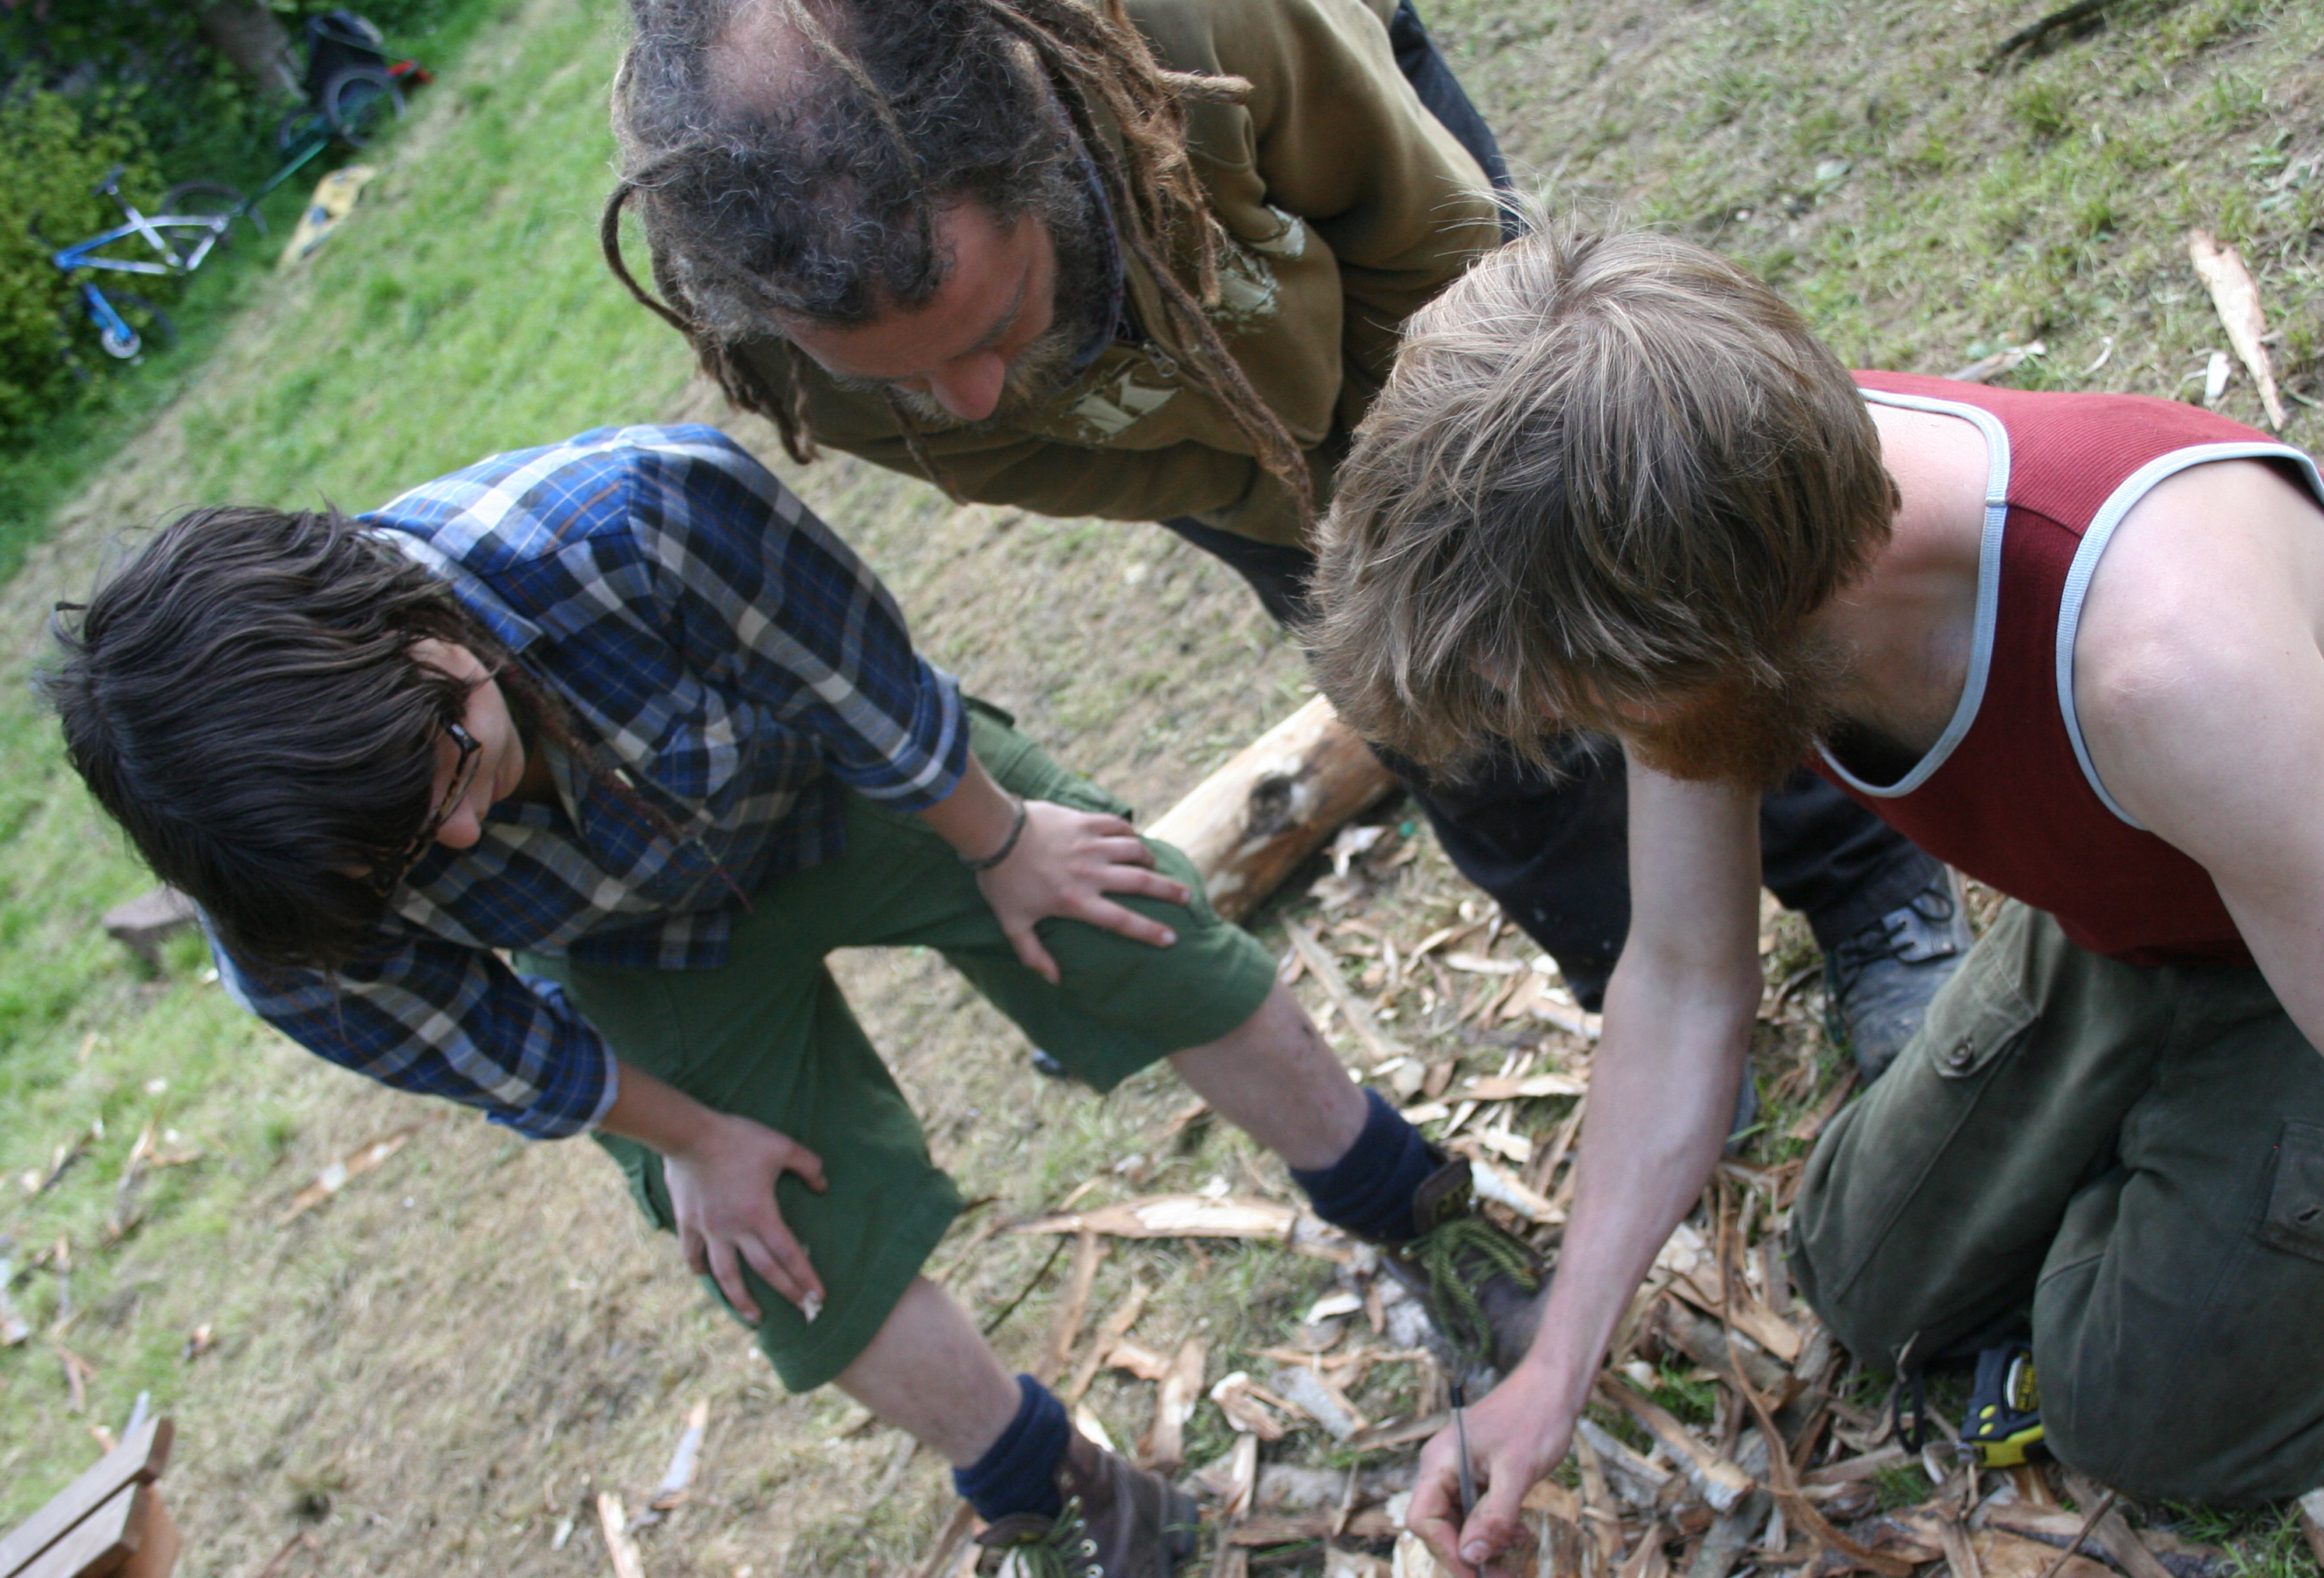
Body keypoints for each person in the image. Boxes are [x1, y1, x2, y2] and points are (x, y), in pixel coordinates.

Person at [1306, 224, 2324, 1578]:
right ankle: (2197, 1142)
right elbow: (1686, 978)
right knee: (1856, 1263)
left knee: (2149, 1417)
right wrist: (1553, 1368)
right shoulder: (1696, 507)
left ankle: (2241, 1165)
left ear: (1735, 636)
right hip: (2154, 909)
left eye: (1593, 706)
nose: (1590, 737)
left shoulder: (2161, 661)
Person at [42, 423, 1538, 1578]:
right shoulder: (289, 910)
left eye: (447, 771)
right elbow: (491, 1042)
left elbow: (861, 685)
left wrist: (1000, 836)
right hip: (629, 949)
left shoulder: (632, 520)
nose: (453, 838)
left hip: (836, 780)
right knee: (774, 1249)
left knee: (1122, 921)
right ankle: (1070, 1490)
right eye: (403, 848)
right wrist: (690, 1142)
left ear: (418, 624)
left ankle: (1420, 1214)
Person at [599, 0, 1970, 1074]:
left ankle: (1866, 887)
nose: (960, 394)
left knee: (1610, 560)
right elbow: (1006, 455)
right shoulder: (760, 302)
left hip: (1409, 287)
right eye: (899, 376)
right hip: (1207, 460)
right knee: (1434, 695)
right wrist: (1306, 518)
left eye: (992, 325)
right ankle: (1633, 977)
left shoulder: (1199, 27)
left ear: (1029, 155)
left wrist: (1417, 491)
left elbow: (1427, 240)